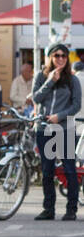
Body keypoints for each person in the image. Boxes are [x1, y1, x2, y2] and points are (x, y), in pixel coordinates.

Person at [28, 42, 81, 221]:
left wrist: (60, 116)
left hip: (64, 128)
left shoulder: (73, 80)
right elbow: (36, 98)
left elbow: (76, 105)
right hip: (45, 128)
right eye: (56, 55)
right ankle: (48, 209)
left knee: (68, 169)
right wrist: (51, 81)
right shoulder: (41, 77)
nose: (60, 59)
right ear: (50, 57)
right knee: (47, 170)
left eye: (64, 56)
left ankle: (71, 209)